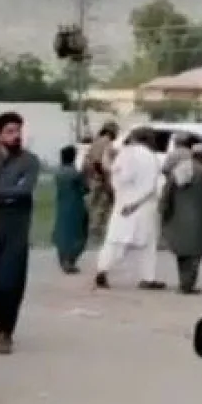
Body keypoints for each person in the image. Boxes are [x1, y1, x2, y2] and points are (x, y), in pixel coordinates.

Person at [0, 112, 40, 355]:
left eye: (18, 131)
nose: (16, 136)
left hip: (16, 230)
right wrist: (5, 194)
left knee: (10, 283)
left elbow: (24, 191)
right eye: (10, 132)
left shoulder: (29, 161)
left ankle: (6, 332)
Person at [94, 130, 166, 290]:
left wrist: (123, 198)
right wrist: (135, 203)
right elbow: (151, 185)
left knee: (114, 241)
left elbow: (116, 177)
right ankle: (148, 278)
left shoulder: (123, 155)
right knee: (147, 245)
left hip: (122, 204)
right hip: (144, 205)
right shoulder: (150, 157)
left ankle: (102, 270)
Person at [160, 138, 202, 295]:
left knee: (182, 253)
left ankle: (183, 282)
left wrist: (164, 211)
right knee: (195, 254)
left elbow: (167, 192)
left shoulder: (179, 170)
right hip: (199, 219)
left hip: (178, 218)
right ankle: (188, 285)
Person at [51, 144, 89, 274]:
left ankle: (63, 260)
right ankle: (70, 261)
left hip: (62, 205)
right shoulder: (75, 173)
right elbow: (85, 189)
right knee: (78, 233)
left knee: (63, 232)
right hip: (76, 205)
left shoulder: (58, 172)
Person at [83, 122, 120, 238]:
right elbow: (98, 162)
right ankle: (95, 230)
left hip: (93, 177)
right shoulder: (106, 142)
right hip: (99, 177)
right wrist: (105, 180)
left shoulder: (97, 141)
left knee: (93, 204)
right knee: (101, 205)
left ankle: (90, 228)